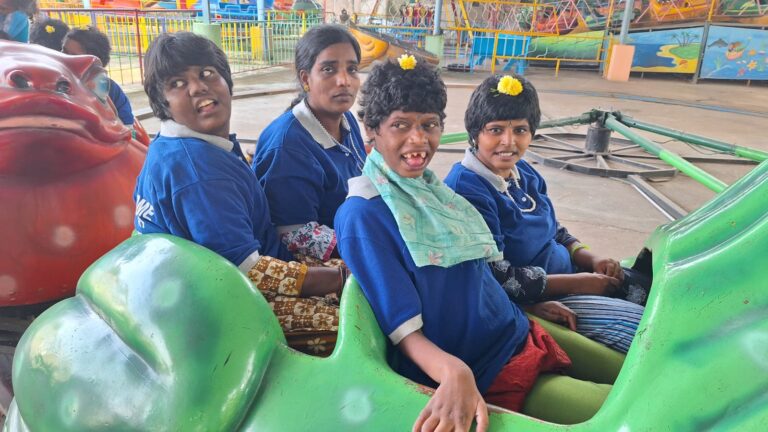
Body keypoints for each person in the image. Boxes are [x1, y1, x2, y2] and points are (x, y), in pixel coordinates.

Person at [335, 56, 611, 431]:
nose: (418, 140)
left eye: (429, 125)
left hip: (515, 327)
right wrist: (455, 372)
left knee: (635, 369)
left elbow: (475, 270)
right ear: (371, 129)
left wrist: (529, 302)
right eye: (401, 125)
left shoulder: (430, 190)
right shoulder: (364, 215)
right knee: (627, 409)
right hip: (485, 367)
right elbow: (402, 329)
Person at [134, 32, 344, 356]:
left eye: (207, 73)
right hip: (228, 305)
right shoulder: (198, 171)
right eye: (177, 83)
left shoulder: (186, 147)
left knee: (374, 268)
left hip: (240, 273)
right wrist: (338, 279)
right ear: (162, 103)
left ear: (226, 80)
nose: (198, 87)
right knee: (360, 324)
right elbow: (249, 272)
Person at [444, 74, 651, 353]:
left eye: (520, 130)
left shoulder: (523, 171)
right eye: (495, 130)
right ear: (474, 132)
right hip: (537, 298)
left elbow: (555, 230)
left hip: (573, 275)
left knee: (656, 295)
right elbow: (495, 279)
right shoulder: (466, 189)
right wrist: (580, 284)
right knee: (646, 332)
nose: (509, 142)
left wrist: (590, 258)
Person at [253, 25, 365, 262]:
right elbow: (295, 235)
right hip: (316, 265)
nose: (344, 81)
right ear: (306, 79)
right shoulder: (288, 146)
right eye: (328, 69)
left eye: (352, 69)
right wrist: (370, 243)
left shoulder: (346, 120)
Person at [62, 27, 135, 127]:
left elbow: (128, 125)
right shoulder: (56, 84)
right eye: (63, 52)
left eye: (73, 56)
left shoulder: (109, 88)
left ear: (95, 65)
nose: (64, 59)